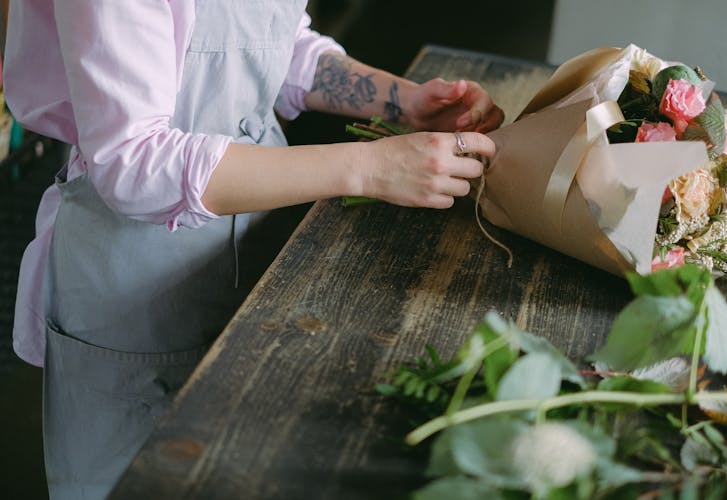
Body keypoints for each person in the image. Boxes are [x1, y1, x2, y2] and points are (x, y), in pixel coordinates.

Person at [3, 1, 504, 499]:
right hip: (140, 284)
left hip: (260, 240)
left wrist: (400, 100)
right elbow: (133, 160)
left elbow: (267, 43)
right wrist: (372, 168)